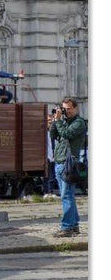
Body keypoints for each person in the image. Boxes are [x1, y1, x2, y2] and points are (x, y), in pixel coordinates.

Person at [50, 97, 87, 237]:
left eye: (68, 109)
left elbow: (67, 134)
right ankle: (74, 225)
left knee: (67, 195)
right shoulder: (63, 121)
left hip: (69, 163)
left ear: (75, 108)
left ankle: (67, 227)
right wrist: (55, 121)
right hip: (59, 162)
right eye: (64, 109)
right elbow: (53, 135)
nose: (66, 112)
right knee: (67, 195)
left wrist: (59, 121)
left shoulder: (79, 123)